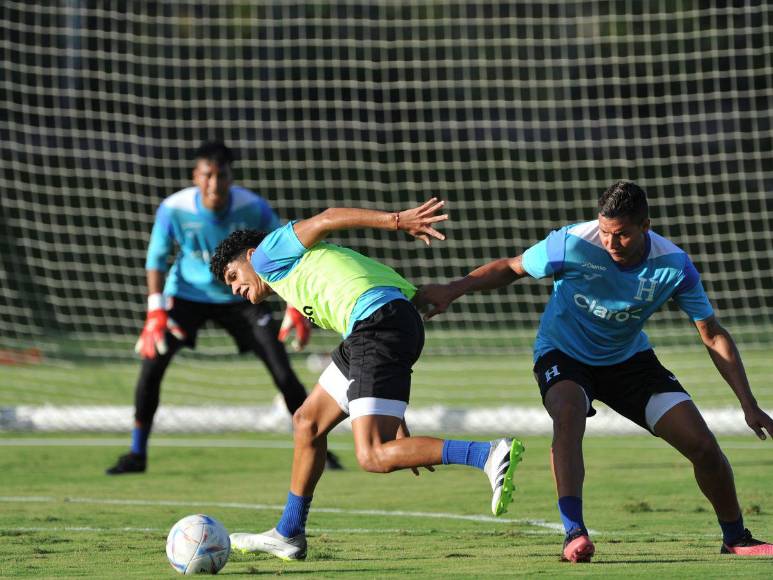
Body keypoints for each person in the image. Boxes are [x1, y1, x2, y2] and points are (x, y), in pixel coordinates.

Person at [417, 181, 773, 561]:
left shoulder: (673, 266)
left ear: (646, 226)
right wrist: (454, 289)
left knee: (702, 445)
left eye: (621, 234)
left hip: (629, 363)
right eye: (605, 232)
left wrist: (748, 404)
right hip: (563, 353)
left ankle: (735, 537)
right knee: (568, 414)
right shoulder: (571, 242)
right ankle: (574, 533)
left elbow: (712, 334)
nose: (610, 243)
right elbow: (511, 267)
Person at [209, 199, 525, 561]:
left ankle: (487, 454)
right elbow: (398, 319)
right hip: (377, 328)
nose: (234, 288)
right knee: (307, 422)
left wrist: (396, 221)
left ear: (249, 256)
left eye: (233, 276)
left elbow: (327, 218)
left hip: (374, 327)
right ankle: (289, 532)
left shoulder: (266, 255)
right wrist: (395, 417)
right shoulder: (300, 273)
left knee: (373, 455)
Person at [106, 141, 342, 475]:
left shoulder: (253, 208)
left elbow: (284, 249)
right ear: (196, 176)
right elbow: (156, 259)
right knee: (151, 366)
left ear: (232, 177)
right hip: (186, 297)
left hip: (241, 298)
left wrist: (293, 306)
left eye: (222, 176)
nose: (214, 183)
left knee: (283, 372)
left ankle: (320, 451)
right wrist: (156, 310)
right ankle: (136, 453)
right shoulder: (174, 208)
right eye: (208, 175)